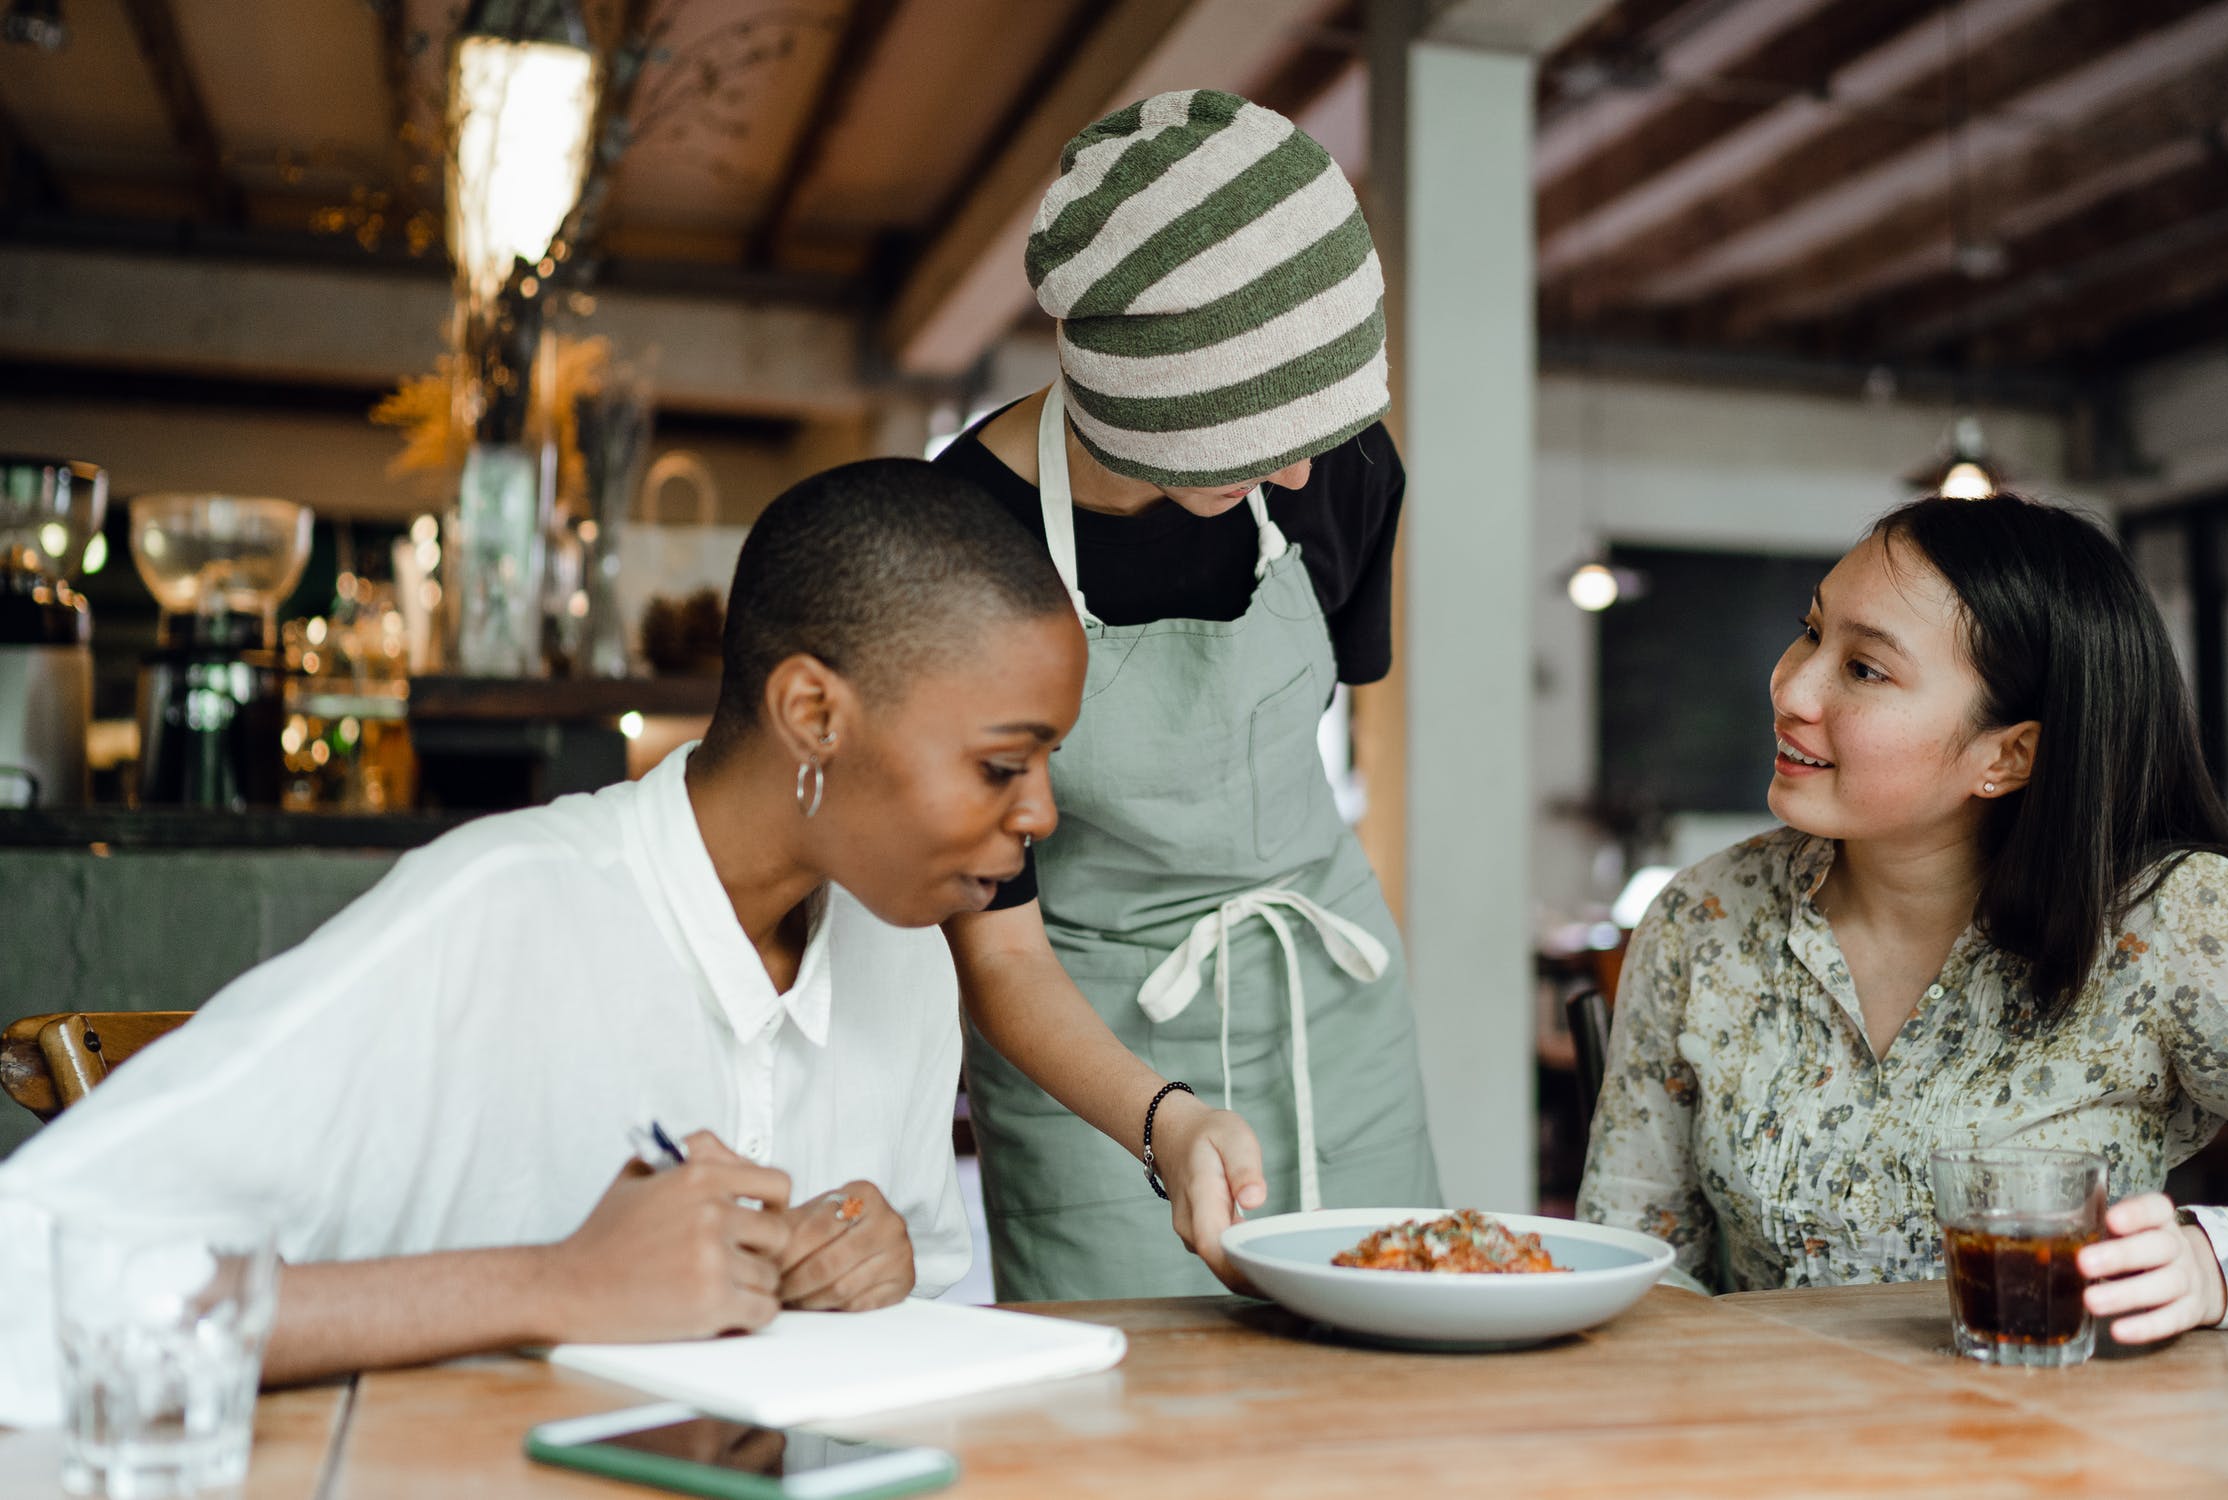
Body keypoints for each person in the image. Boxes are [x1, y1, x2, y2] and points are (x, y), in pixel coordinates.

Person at [0, 459, 1245, 1425]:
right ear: (813, 711)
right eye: (1001, 764)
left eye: (1047, 765)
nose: (1040, 816)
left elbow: (895, 1308)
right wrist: (553, 1284)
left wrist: (879, 1266)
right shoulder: (494, 918)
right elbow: (30, 1285)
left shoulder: (904, 943)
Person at [1579, 493, 2228, 1338]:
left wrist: (2219, 1264)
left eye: (1863, 668)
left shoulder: (2169, 924)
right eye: (1811, 630)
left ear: (2009, 754)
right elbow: (1637, 1261)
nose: (1792, 689)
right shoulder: (1705, 915)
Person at [932, 88, 1439, 1300]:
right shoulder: (956, 550)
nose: (1306, 468)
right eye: (1256, 437)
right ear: (1144, 401)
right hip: (1092, 1041)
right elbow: (995, 947)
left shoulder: (1341, 466)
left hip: (1333, 1006)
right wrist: (1158, 1116)